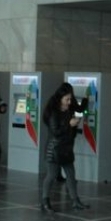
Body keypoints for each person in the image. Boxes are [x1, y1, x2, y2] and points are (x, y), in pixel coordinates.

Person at [39, 83, 89, 212]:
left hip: (66, 148)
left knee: (71, 175)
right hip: (54, 149)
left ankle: (75, 201)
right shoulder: (53, 111)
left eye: (70, 99)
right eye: (67, 99)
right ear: (60, 98)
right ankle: (45, 201)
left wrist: (86, 100)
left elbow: (80, 109)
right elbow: (56, 131)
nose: (69, 102)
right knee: (51, 175)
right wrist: (69, 124)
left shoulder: (70, 108)